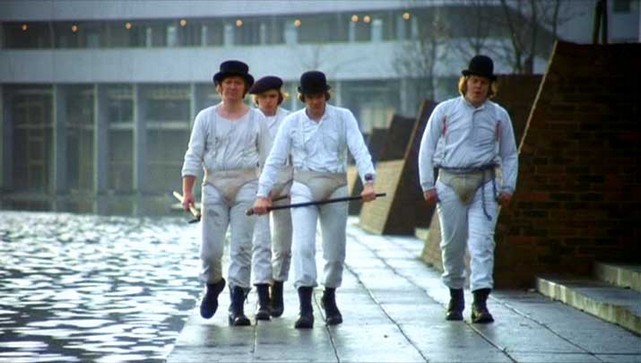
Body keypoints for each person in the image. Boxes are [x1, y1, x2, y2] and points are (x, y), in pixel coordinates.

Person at [251, 71, 378, 329]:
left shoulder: (344, 118)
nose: (315, 101)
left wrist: (369, 181)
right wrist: (262, 194)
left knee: (334, 250)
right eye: (310, 97)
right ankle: (305, 305)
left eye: (319, 96)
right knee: (302, 247)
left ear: (326, 94)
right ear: (302, 97)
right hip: (304, 185)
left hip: (336, 184)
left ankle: (329, 296)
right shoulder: (292, 123)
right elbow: (275, 159)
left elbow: (359, 149)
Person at [418, 54, 518, 324]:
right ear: (466, 82)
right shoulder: (446, 111)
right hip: (449, 181)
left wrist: (508, 185)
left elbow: (509, 153)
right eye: (474, 80)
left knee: (482, 242)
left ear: (490, 86)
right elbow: (426, 147)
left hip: (485, 182)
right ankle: (455, 296)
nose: (478, 86)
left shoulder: (499, 116)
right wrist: (427, 183)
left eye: (484, 82)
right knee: (452, 245)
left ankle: (480, 302)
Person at [180, 60, 272, 327]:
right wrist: (188, 191)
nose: (232, 86)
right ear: (219, 87)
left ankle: (237, 304)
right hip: (214, 185)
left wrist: (264, 194)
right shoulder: (205, 118)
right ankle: (213, 284)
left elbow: (268, 159)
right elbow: (194, 154)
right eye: (228, 82)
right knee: (210, 250)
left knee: (242, 247)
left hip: (247, 184)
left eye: (238, 82)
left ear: (245, 88)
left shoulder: (257, 119)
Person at [247, 76, 292, 320]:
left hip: (285, 186)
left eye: (272, 96)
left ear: (279, 97)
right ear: (256, 99)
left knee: (283, 246)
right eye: (263, 97)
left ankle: (279, 285)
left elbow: (296, 155)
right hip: (256, 188)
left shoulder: (289, 120)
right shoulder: (250, 119)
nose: (268, 102)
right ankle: (262, 296)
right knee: (261, 243)